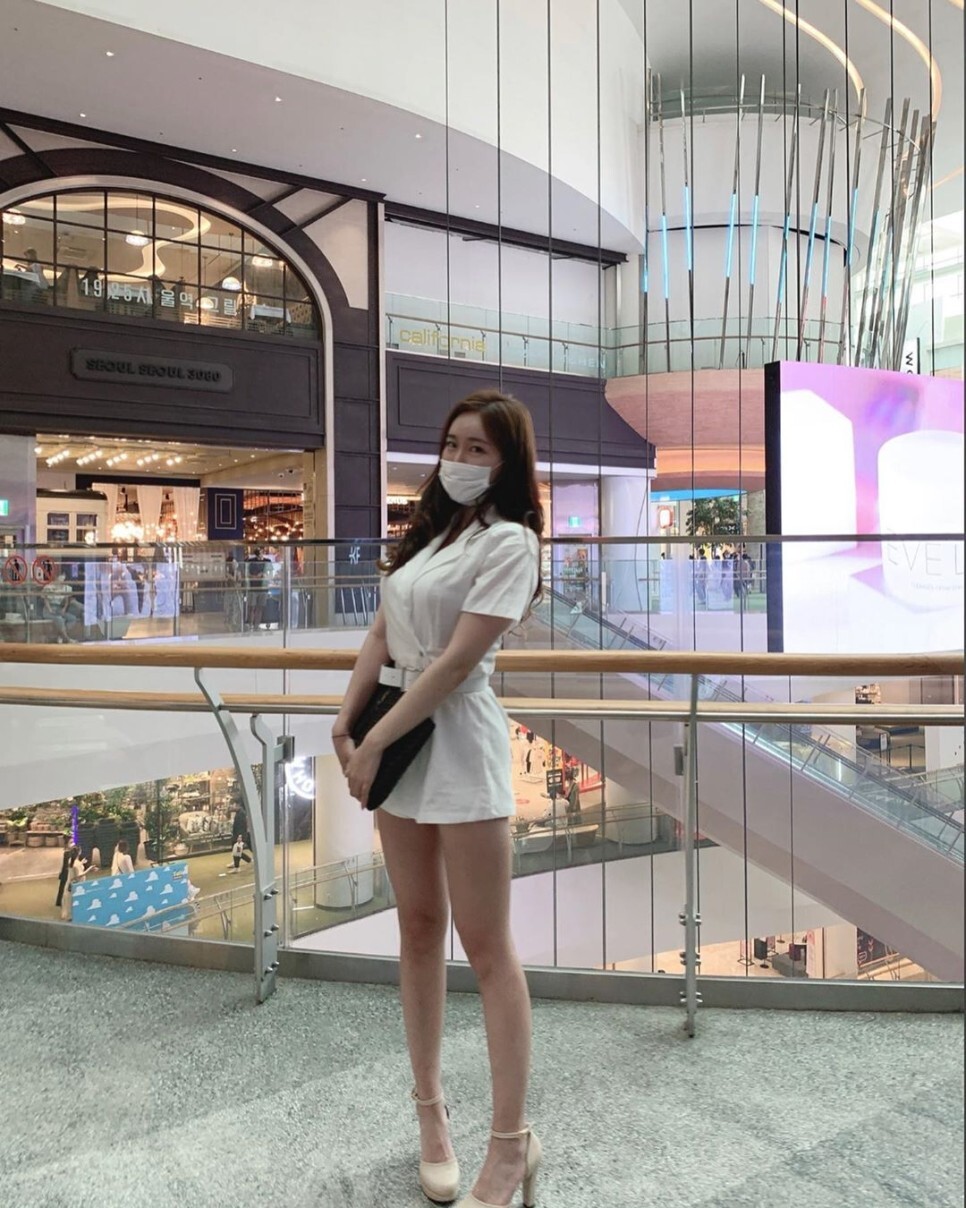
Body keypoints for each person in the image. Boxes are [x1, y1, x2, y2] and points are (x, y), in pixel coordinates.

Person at [332, 389, 543, 1208]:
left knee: (487, 948)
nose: (458, 460)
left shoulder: (511, 542)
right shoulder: (429, 537)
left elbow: (455, 665)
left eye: (478, 449)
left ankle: (510, 1144)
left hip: (456, 743)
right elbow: (381, 635)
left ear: (507, 462)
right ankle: (431, 1115)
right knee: (418, 928)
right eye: (452, 444)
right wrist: (345, 723)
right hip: (397, 739)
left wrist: (374, 742)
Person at [41, 572, 82, 642]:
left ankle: (60, 635)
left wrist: (64, 608)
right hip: (49, 609)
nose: (62, 580)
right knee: (59, 619)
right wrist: (49, 609)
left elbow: (67, 599)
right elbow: (45, 600)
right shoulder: (48, 587)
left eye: (64, 578)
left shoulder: (66, 588)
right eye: (61, 577)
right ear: (56, 577)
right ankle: (67, 639)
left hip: (59, 608)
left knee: (72, 618)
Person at [58, 846, 89, 920]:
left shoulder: (71, 861)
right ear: (79, 852)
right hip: (76, 886)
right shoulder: (76, 864)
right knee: (73, 902)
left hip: (69, 884)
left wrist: (81, 862)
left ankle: (67, 915)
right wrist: (90, 869)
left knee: (68, 902)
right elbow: (79, 875)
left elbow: (75, 868)